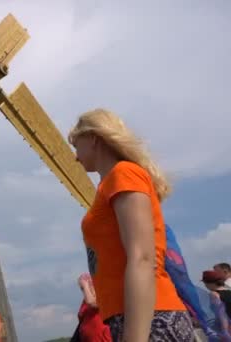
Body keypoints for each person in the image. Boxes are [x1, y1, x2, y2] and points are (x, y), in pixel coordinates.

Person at [68, 109, 192, 341]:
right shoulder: (112, 182)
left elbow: (142, 257)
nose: (75, 156)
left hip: (150, 318)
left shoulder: (123, 173)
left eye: (77, 145)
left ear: (94, 138)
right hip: (137, 316)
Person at [70, 273, 112, 342]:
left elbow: (92, 303)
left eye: (91, 283)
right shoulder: (85, 302)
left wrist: (85, 286)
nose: (90, 286)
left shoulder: (104, 294)